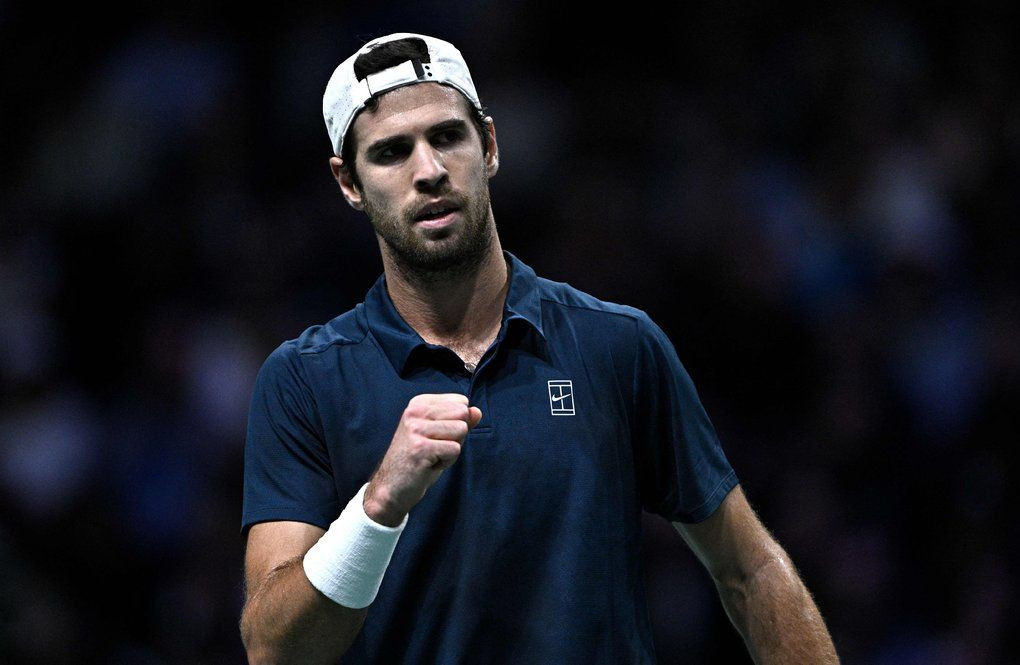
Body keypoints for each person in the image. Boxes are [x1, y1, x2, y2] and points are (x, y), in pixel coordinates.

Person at [238, 32, 839, 664]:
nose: (429, 171)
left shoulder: (617, 346)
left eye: (447, 136)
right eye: (391, 152)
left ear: (489, 145)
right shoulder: (303, 380)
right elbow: (273, 649)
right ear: (349, 183)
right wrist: (378, 506)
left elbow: (751, 571)